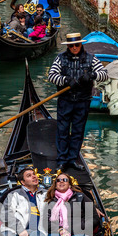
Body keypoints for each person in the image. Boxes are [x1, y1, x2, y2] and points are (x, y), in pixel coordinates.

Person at [48, 32, 108, 172]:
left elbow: (104, 75)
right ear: (68, 46)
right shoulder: (60, 58)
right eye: (71, 45)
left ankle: (72, 159)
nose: (74, 47)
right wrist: (66, 80)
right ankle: (62, 160)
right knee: (62, 130)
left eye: (77, 45)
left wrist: (92, 75)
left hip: (82, 101)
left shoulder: (91, 59)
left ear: (81, 44)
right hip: (65, 100)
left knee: (78, 131)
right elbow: (52, 76)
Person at [0, 167, 48, 236]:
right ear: (23, 182)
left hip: (36, 232)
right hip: (14, 230)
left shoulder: (45, 194)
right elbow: (6, 214)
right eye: (29, 176)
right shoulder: (14, 194)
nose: (34, 176)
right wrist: (20, 229)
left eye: (34, 174)